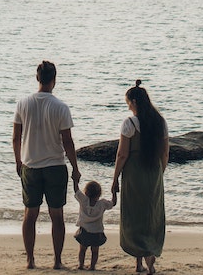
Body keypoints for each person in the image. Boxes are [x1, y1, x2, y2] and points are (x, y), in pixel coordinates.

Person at [12, 61, 81, 270]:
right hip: (55, 166)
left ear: (37, 78)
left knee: (29, 214)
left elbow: (16, 137)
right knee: (57, 215)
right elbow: (67, 141)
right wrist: (75, 168)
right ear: (54, 80)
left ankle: (30, 260)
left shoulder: (23, 103)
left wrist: (18, 161)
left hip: (30, 165)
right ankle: (57, 260)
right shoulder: (60, 107)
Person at [111, 80, 169, 274]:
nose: (127, 105)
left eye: (128, 102)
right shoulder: (160, 122)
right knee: (151, 215)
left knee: (134, 215)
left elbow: (122, 154)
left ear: (134, 101)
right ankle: (150, 259)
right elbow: (165, 153)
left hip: (134, 173)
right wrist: (160, 172)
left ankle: (138, 263)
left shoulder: (129, 123)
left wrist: (115, 178)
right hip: (154, 172)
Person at [72, 179, 116, 271]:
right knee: (95, 251)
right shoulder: (102, 204)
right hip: (97, 231)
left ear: (86, 192)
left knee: (82, 250)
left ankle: (81, 265)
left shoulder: (83, 200)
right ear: (99, 194)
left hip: (84, 230)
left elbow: (76, 190)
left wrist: (75, 180)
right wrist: (114, 192)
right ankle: (92, 266)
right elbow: (113, 203)